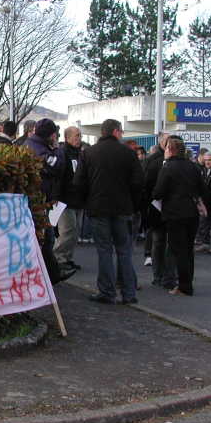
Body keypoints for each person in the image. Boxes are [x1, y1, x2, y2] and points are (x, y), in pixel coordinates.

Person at [73, 118, 144, 305]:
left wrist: (87, 201)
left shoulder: (88, 153)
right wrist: (133, 204)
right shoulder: (128, 154)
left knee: (104, 251)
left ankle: (107, 291)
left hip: (98, 207)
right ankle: (129, 293)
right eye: (121, 131)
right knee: (124, 251)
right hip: (122, 208)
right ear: (115, 131)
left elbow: (79, 182)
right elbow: (138, 182)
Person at [152, 137, 205, 296]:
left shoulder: (168, 167)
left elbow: (158, 192)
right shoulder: (194, 166)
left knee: (179, 249)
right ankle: (188, 281)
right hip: (191, 212)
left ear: (170, 150)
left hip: (174, 213)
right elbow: (202, 188)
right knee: (188, 249)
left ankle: (184, 286)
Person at [25, 118, 72, 284]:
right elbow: (57, 165)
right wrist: (58, 150)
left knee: (47, 239)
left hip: (41, 200)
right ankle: (51, 276)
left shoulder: (33, 145)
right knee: (46, 240)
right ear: (52, 135)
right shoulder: (39, 149)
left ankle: (51, 274)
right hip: (38, 201)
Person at [143, 132, 178, 289]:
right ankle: (160, 275)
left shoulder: (176, 162)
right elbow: (147, 184)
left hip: (168, 208)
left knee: (167, 243)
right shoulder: (153, 161)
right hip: (157, 207)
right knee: (159, 242)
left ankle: (167, 275)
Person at [53, 127, 84, 274]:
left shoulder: (79, 154)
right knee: (67, 231)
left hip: (77, 198)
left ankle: (67, 257)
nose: (79, 138)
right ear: (68, 138)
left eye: (80, 135)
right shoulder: (63, 153)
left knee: (75, 231)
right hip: (65, 199)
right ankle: (58, 258)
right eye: (76, 136)